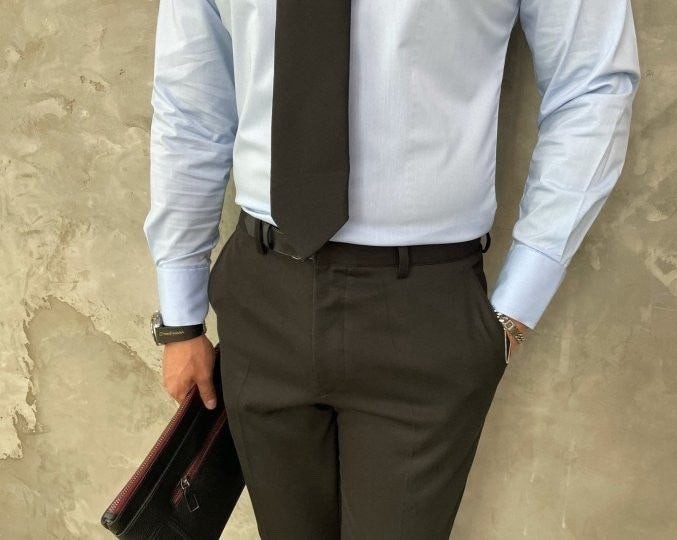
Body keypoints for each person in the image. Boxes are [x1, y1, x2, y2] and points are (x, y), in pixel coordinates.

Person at [143, 0, 640, 537]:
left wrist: (517, 308)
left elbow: (593, 86)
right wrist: (181, 318)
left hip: (427, 312)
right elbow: (189, 106)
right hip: (262, 296)